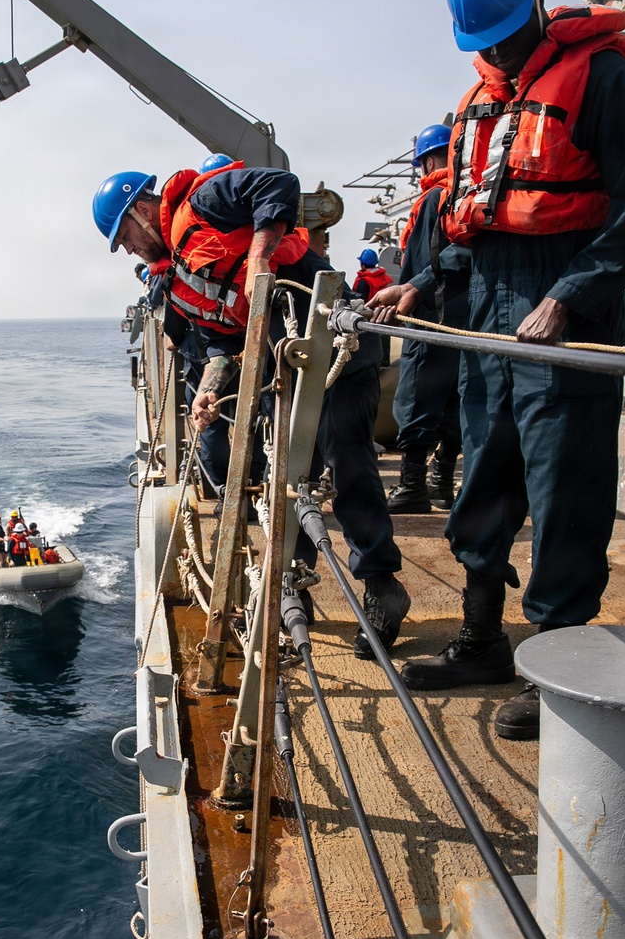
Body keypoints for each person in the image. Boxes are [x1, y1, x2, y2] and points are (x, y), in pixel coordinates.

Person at [370, 0, 625, 738]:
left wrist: (571, 294)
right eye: (480, 38)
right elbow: (476, 221)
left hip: (570, 311)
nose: (494, 47)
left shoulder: (607, 77)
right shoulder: (481, 104)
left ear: (534, 1)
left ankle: (556, 667)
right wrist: (425, 279)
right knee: (483, 482)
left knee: (566, 494)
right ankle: (484, 639)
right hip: (487, 314)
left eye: (502, 29)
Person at [93, 154, 411, 657]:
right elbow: (218, 346)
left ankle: (382, 587)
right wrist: (208, 390)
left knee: (347, 464)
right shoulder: (175, 286)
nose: (128, 248)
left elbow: (279, 184)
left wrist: (260, 257)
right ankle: (294, 587)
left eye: (125, 237)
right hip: (282, 370)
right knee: (286, 478)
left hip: (334, 350)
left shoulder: (204, 202)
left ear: (140, 213)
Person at [387, 123, 465, 513]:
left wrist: (409, 295)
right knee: (455, 399)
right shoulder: (467, 196)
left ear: (430, 161)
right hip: (465, 320)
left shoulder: (434, 198)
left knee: (416, 395)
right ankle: (442, 483)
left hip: (432, 315)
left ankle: (412, 485)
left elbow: (423, 261)